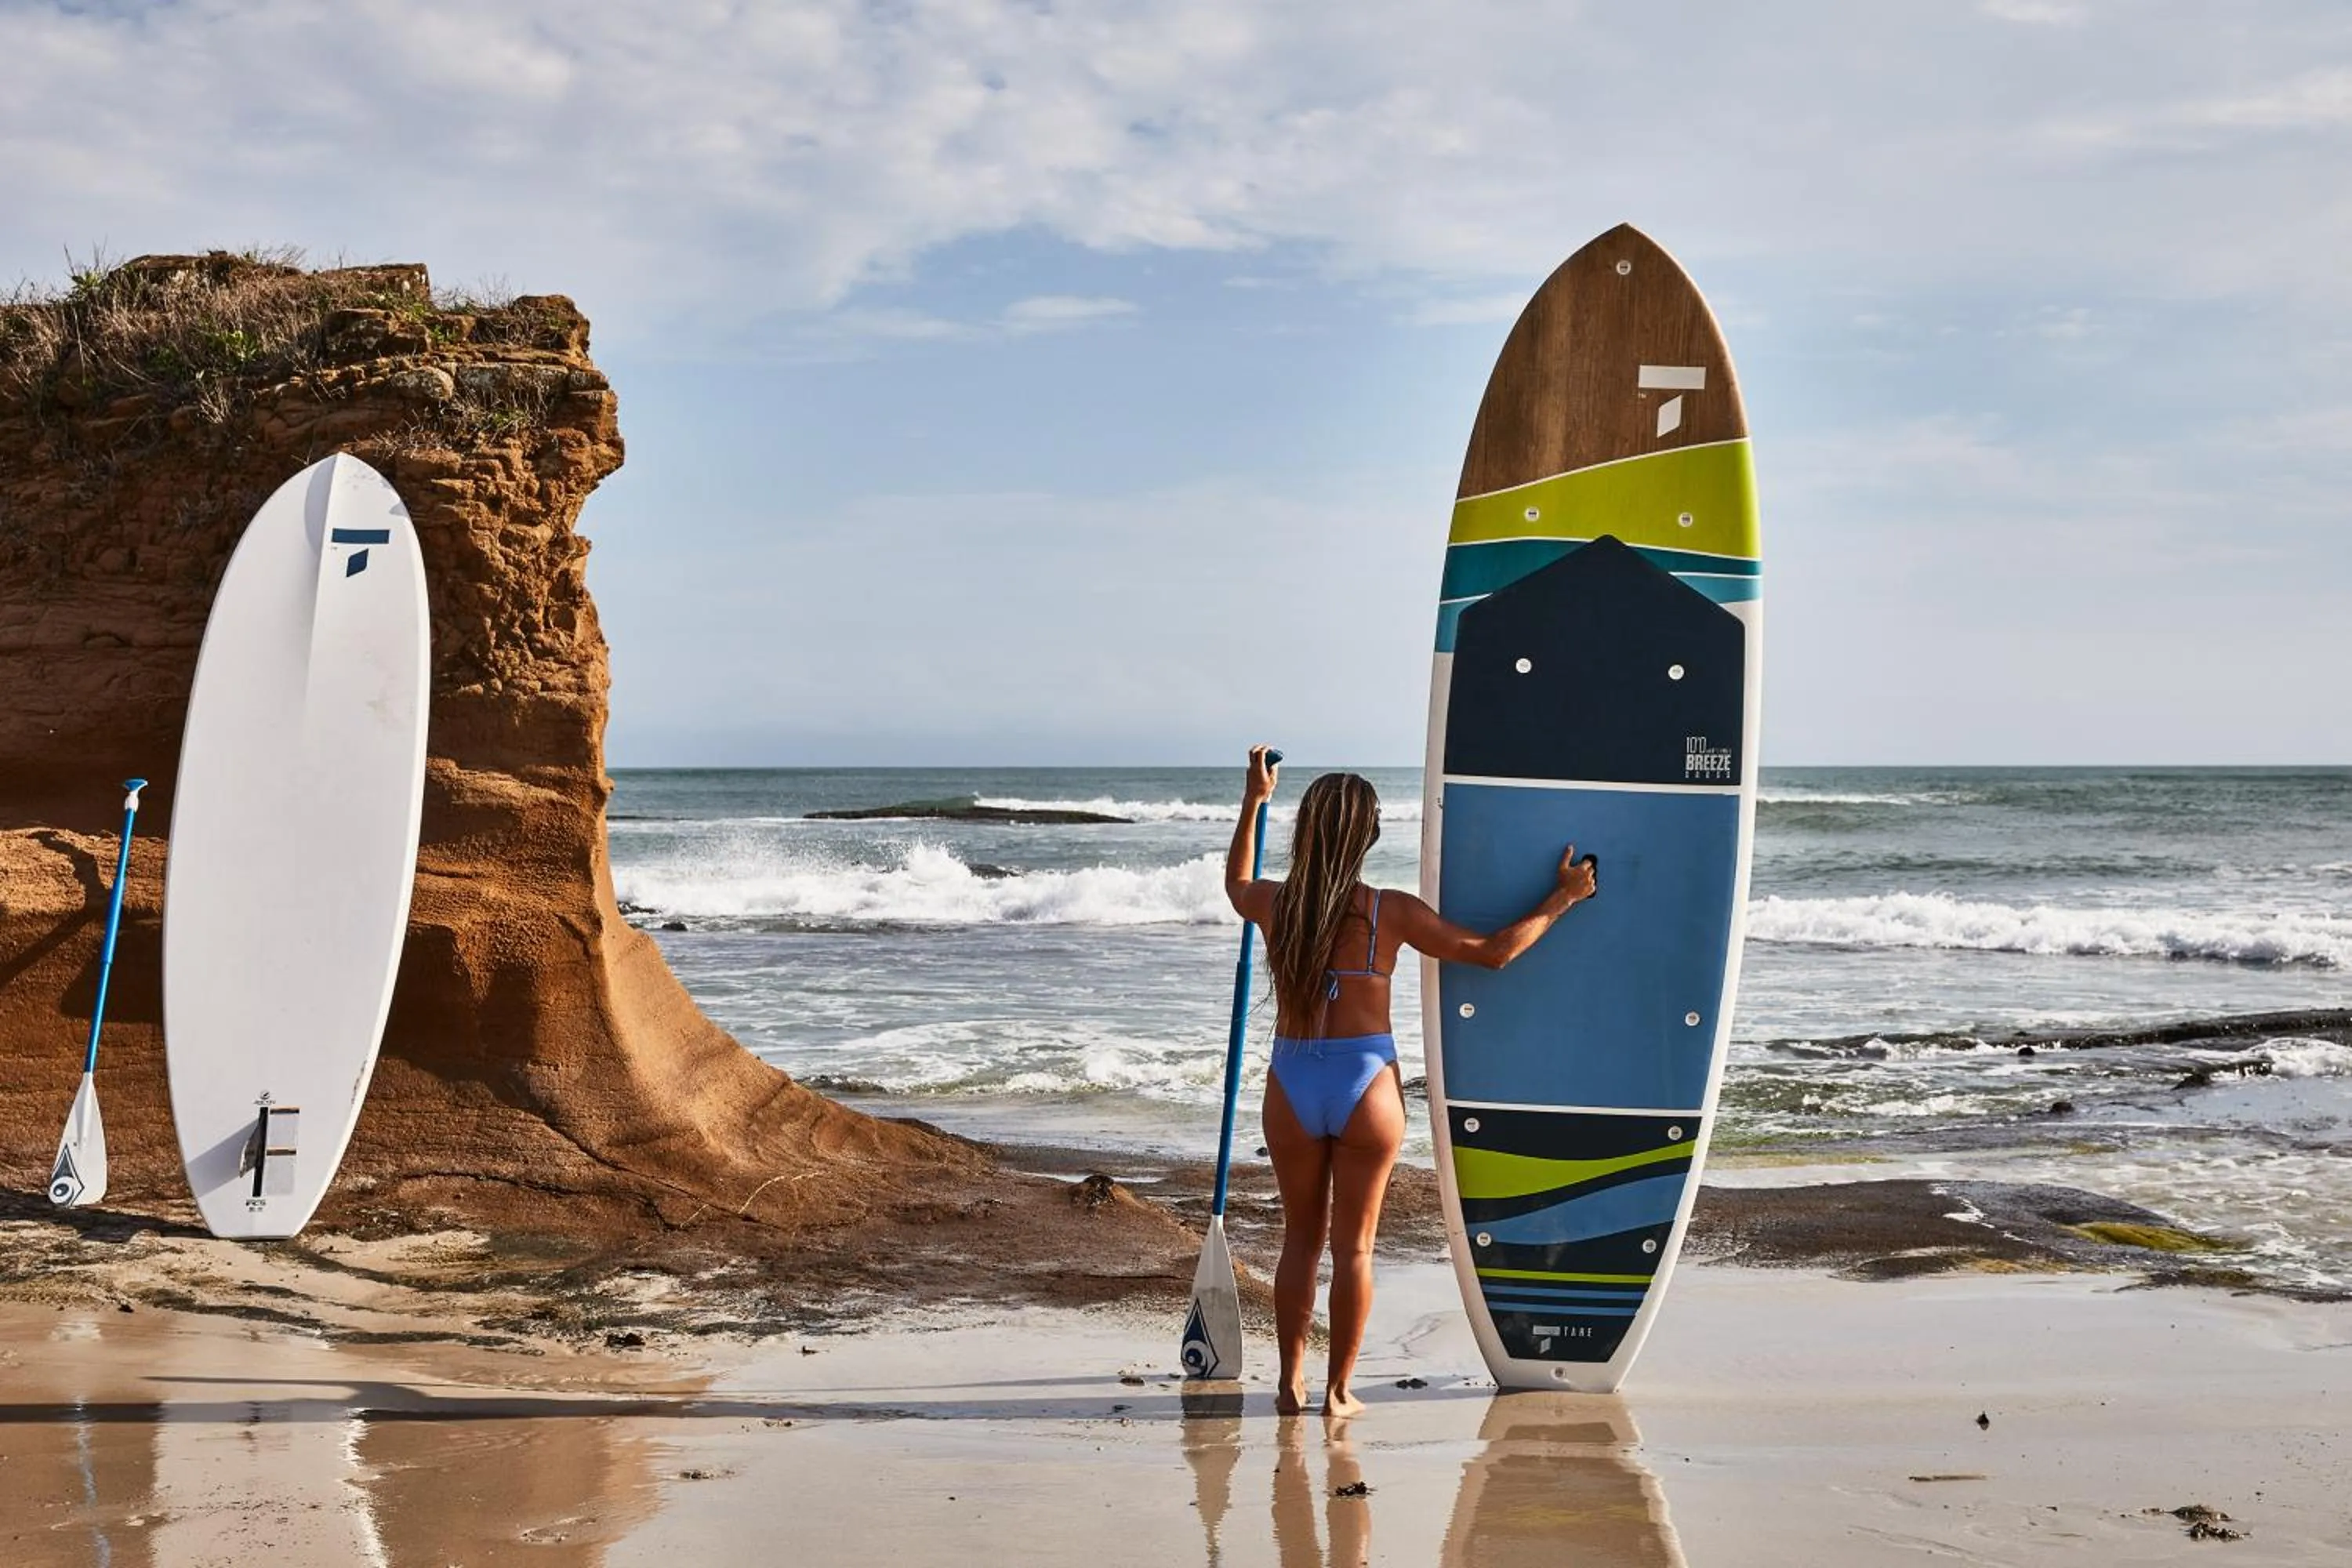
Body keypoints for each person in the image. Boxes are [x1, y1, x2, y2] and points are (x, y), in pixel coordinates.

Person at [1224, 746, 1596, 1416]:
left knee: (1300, 1242)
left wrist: (1254, 797)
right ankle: (1338, 1393)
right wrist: (1563, 898)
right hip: (1366, 1085)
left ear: (1306, 832)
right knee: (1355, 1247)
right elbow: (1493, 954)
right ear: (1370, 836)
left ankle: (1289, 1383)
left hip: (1293, 1080)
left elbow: (1236, 885)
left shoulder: (1278, 906)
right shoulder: (1387, 912)